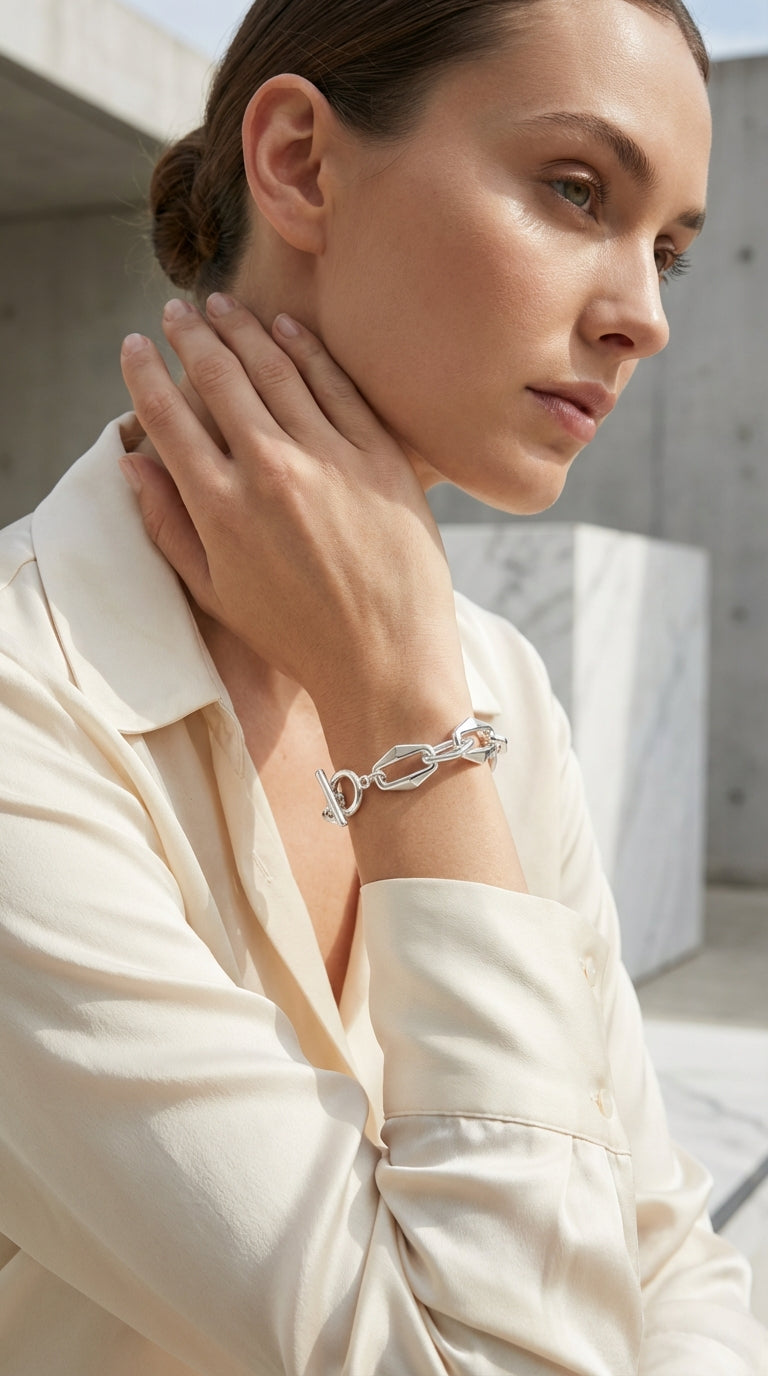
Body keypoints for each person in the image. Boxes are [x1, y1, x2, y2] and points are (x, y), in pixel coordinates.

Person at [0, 0, 765, 1370]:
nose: (644, 318)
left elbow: (662, 1253)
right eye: (576, 189)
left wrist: (415, 683)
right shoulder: (26, 706)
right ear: (299, 161)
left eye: (669, 253)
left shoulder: (502, 683)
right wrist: (409, 721)